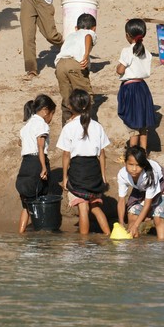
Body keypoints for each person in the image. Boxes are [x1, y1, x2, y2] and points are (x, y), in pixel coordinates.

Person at [57, 88, 111, 235]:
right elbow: (102, 153)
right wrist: (103, 176)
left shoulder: (68, 127)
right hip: (94, 170)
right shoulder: (97, 126)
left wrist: (64, 178)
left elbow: (66, 155)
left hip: (78, 171)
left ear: (70, 107)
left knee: (82, 207)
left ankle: (83, 242)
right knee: (95, 207)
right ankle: (109, 236)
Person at [16, 94, 56, 233]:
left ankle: (21, 234)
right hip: (37, 163)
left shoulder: (27, 125)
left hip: (25, 164)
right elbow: (40, 146)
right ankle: (41, 231)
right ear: (45, 110)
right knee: (39, 201)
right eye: (52, 114)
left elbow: (20, 142)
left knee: (27, 204)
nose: (51, 118)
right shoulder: (41, 124)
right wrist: (44, 167)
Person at [116, 146, 164, 240]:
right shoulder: (122, 175)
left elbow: (147, 204)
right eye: (131, 164)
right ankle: (136, 250)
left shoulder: (149, 176)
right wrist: (121, 223)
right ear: (125, 162)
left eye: (138, 165)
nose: (134, 169)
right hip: (140, 188)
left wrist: (136, 225)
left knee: (158, 218)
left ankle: (162, 249)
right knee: (132, 215)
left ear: (143, 165)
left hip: (161, 184)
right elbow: (121, 200)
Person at [115, 18, 155, 151]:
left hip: (130, 88)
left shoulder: (127, 51)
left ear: (127, 35)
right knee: (143, 124)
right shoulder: (147, 53)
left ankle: (132, 152)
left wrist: (118, 68)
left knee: (132, 123)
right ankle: (143, 152)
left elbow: (120, 70)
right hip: (143, 88)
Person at [54, 13, 96, 123]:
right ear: (94, 28)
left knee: (67, 99)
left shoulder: (70, 36)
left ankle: (67, 127)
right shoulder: (90, 33)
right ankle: (84, 126)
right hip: (75, 64)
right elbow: (88, 36)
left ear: (76, 28)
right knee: (85, 98)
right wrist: (86, 54)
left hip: (60, 65)